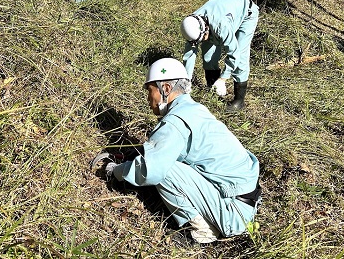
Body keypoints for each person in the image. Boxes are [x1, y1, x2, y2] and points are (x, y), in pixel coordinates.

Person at [97, 58, 261, 244]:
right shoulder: (194, 110)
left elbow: (151, 170)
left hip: (233, 212)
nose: (148, 98)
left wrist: (116, 171)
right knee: (162, 161)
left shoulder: (175, 122)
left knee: (164, 170)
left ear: (165, 89)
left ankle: (203, 231)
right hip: (246, 202)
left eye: (150, 91)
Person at [180, 0, 259, 112]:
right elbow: (189, 55)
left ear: (205, 28)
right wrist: (186, 82)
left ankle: (239, 101)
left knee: (241, 55)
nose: (200, 41)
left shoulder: (221, 26)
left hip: (247, 13)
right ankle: (212, 86)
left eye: (202, 38)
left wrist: (223, 78)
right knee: (208, 53)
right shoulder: (192, 25)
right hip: (223, 12)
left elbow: (234, 52)